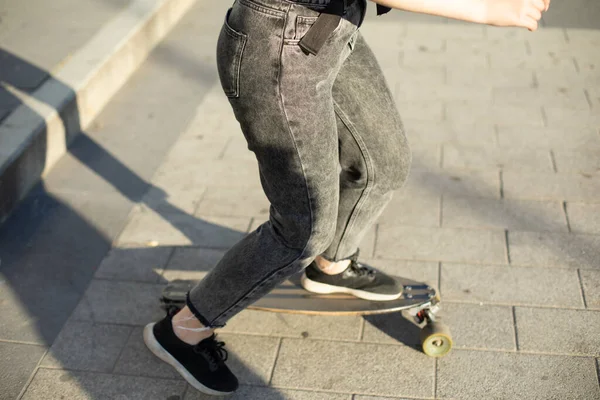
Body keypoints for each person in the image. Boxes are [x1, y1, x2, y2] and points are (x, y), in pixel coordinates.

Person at [143, 0, 550, 395]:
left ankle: (330, 268)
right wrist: (485, 8)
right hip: (277, 47)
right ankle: (183, 330)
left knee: (384, 163)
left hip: (331, 29)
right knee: (302, 230)